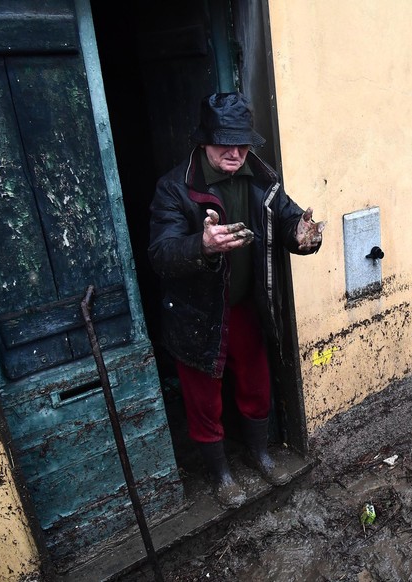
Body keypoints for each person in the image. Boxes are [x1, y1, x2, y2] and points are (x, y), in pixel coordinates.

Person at [148, 92, 324, 507]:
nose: (234, 151)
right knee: (203, 397)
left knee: (256, 382)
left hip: (245, 305)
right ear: (204, 141)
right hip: (197, 313)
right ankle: (221, 474)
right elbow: (160, 253)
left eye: (241, 141)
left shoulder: (262, 177)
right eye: (224, 141)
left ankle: (260, 453)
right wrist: (202, 244)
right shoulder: (175, 188)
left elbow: (287, 220)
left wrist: (303, 235)